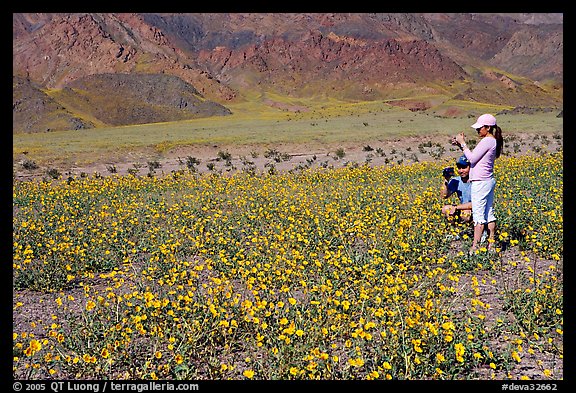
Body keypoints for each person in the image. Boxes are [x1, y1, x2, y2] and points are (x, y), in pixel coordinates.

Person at [452, 113, 504, 253]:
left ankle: (475, 249)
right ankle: (491, 245)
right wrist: (461, 145)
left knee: (479, 216)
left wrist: (463, 143)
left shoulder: (487, 141)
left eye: (479, 128)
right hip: (487, 180)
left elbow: (472, 159)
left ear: (487, 127)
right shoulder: (492, 141)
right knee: (489, 213)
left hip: (481, 182)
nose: (477, 131)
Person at [441, 155, 473, 225]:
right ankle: (455, 231)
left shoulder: (476, 181)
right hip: (462, 208)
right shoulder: (456, 181)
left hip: (475, 209)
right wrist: (446, 179)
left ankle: (470, 231)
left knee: (465, 213)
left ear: (471, 167)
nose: (461, 171)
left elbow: (475, 204)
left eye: (464, 168)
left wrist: (456, 207)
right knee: (446, 209)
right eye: (459, 168)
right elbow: (444, 196)